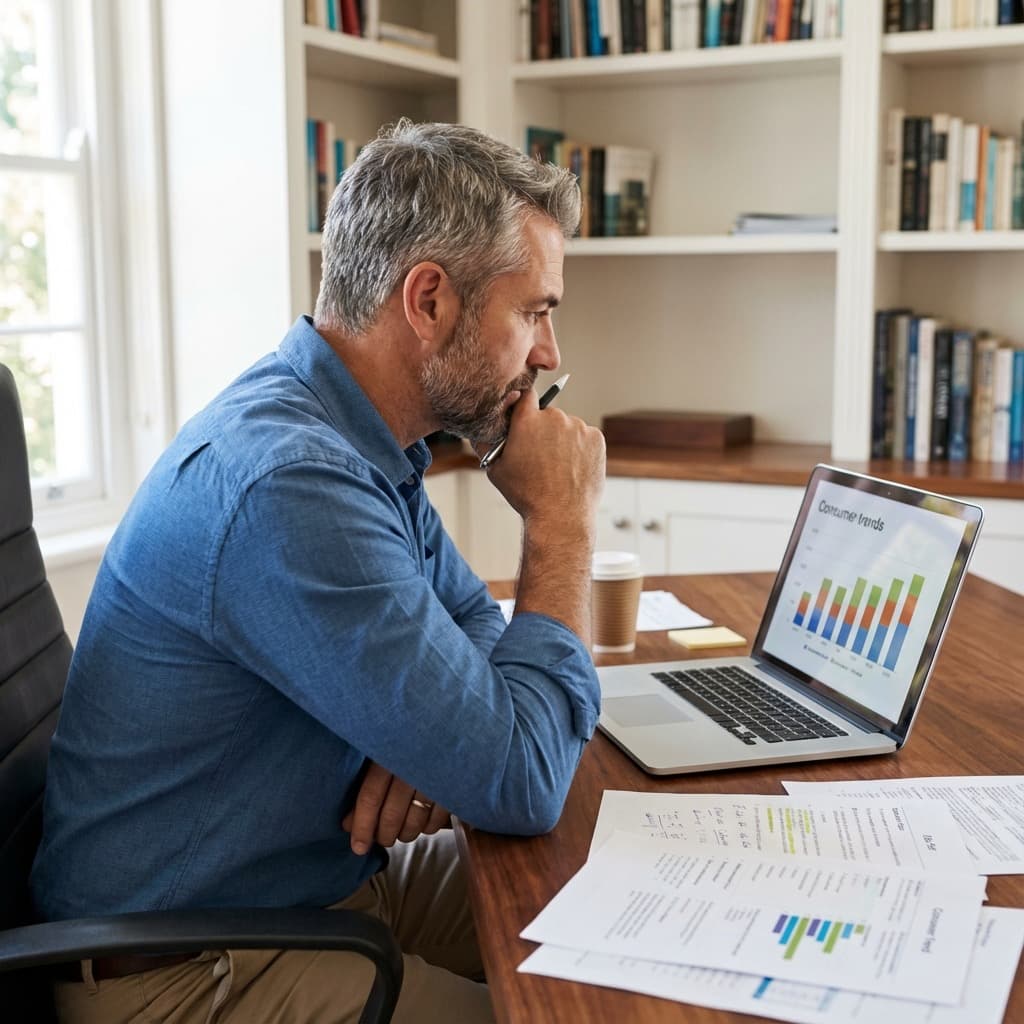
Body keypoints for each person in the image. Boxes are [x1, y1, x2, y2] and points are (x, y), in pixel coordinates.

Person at [30, 119, 607, 1023]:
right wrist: (561, 524)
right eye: (534, 311)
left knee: (604, 889)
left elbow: (473, 629)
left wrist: (435, 740)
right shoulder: (292, 484)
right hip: (188, 969)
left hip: (310, 894)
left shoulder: (358, 436)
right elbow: (523, 776)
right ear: (428, 300)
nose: (549, 355)